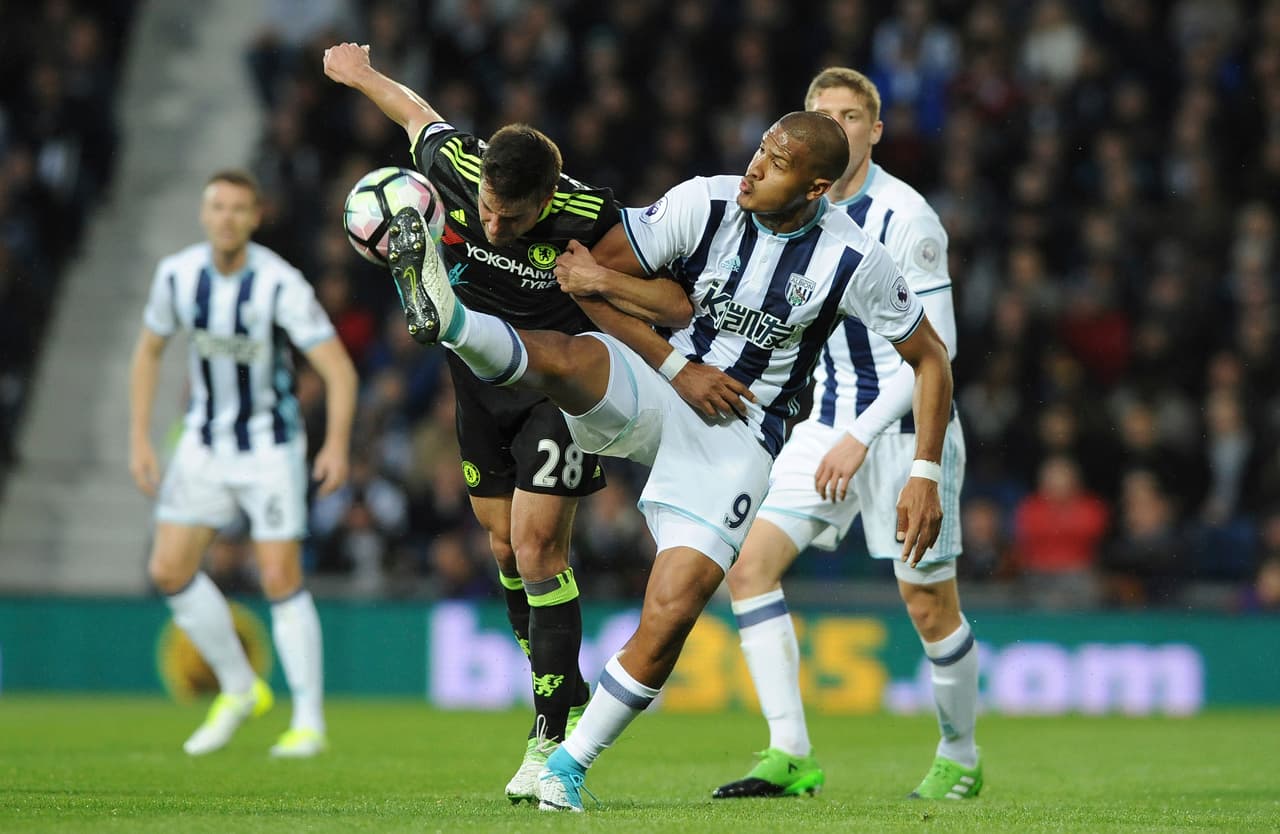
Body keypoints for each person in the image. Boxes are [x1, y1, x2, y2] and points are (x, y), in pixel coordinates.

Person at [382, 108, 953, 811]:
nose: (754, 166)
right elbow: (584, 282)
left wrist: (924, 470)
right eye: (760, 148)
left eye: (776, 164)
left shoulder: (855, 260)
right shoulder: (703, 201)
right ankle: (451, 319)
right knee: (565, 359)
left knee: (671, 613)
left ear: (815, 187)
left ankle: (568, 766)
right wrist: (675, 362)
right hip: (662, 380)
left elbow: (931, 361)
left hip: (739, 435)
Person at [322, 42, 689, 802]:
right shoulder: (458, 163)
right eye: (484, 207)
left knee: (535, 546)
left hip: (557, 386)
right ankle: (562, 686)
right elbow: (416, 113)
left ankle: (550, 738)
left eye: (509, 217)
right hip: (478, 382)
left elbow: (648, 293)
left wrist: (662, 358)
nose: (491, 223)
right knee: (501, 546)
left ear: (547, 200)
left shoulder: (592, 215)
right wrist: (357, 74)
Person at [708, 67, 979, 802]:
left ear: (875, 130)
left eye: (854, 115)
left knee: (926, 602)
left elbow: (936, 356)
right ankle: (789, 752)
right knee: (748, 568)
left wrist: (860, 433)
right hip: (824, 423)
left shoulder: (907, 217)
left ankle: (960, 754)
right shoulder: (795, 206)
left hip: (900, 432)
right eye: (825, 114)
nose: (842, 125)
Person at [128, 169, 358, 757]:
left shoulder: (280, 284)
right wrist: (140, 438)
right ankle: (239, 685)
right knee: (168, 571)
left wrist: (334, 444)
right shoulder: (177, 276)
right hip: (203, 444)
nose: (226, 217)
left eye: (238, 208)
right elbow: (149, 350)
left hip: (269, 446)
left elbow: (338, 368)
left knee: (280, 576)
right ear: (205, 214)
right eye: (217, 207)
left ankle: (308, 720)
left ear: (255, 217)